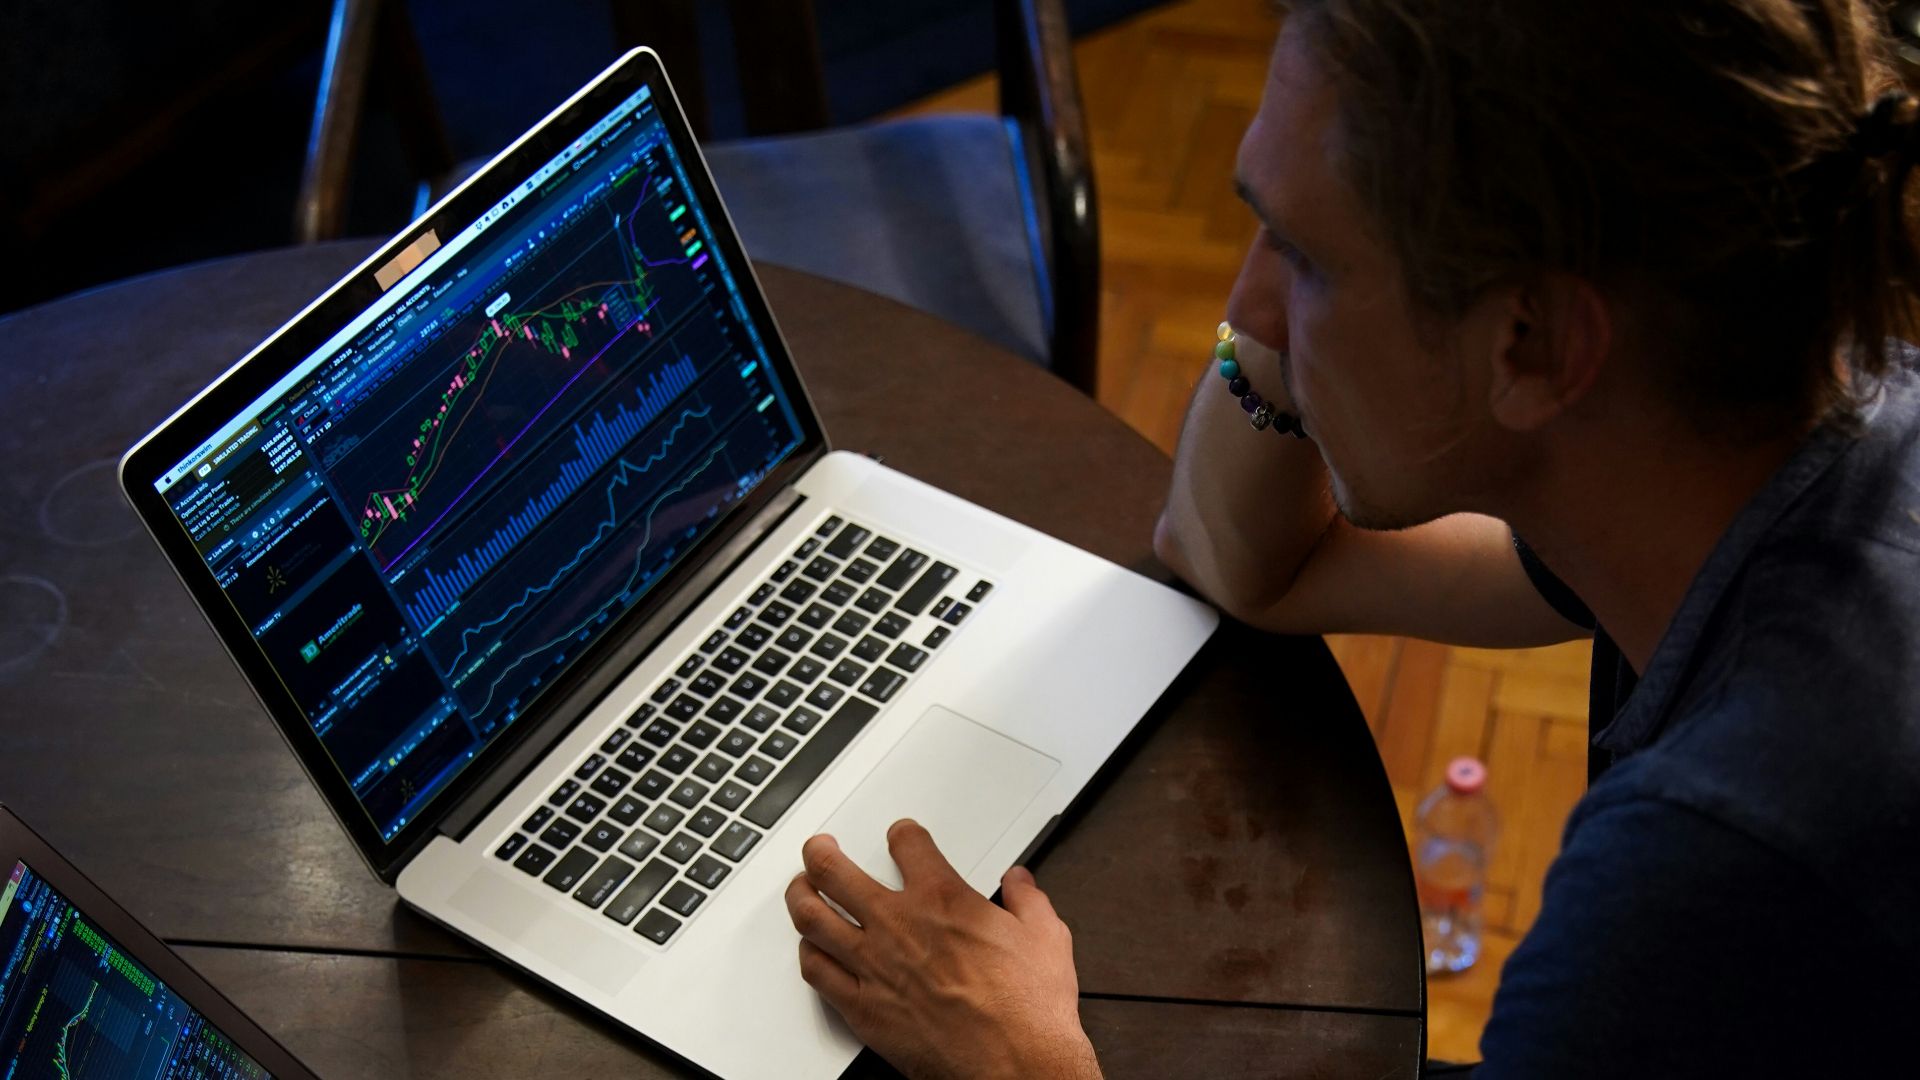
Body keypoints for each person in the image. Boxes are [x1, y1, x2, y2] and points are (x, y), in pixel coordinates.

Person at [782, 0, 1920, 1074]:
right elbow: (1248, 564)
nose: (1248, 310)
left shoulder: (1711, 870)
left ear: (1532, 344)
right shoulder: (1764, 432)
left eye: (1304, 260)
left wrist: (1021, 1063)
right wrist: (1300, 327)